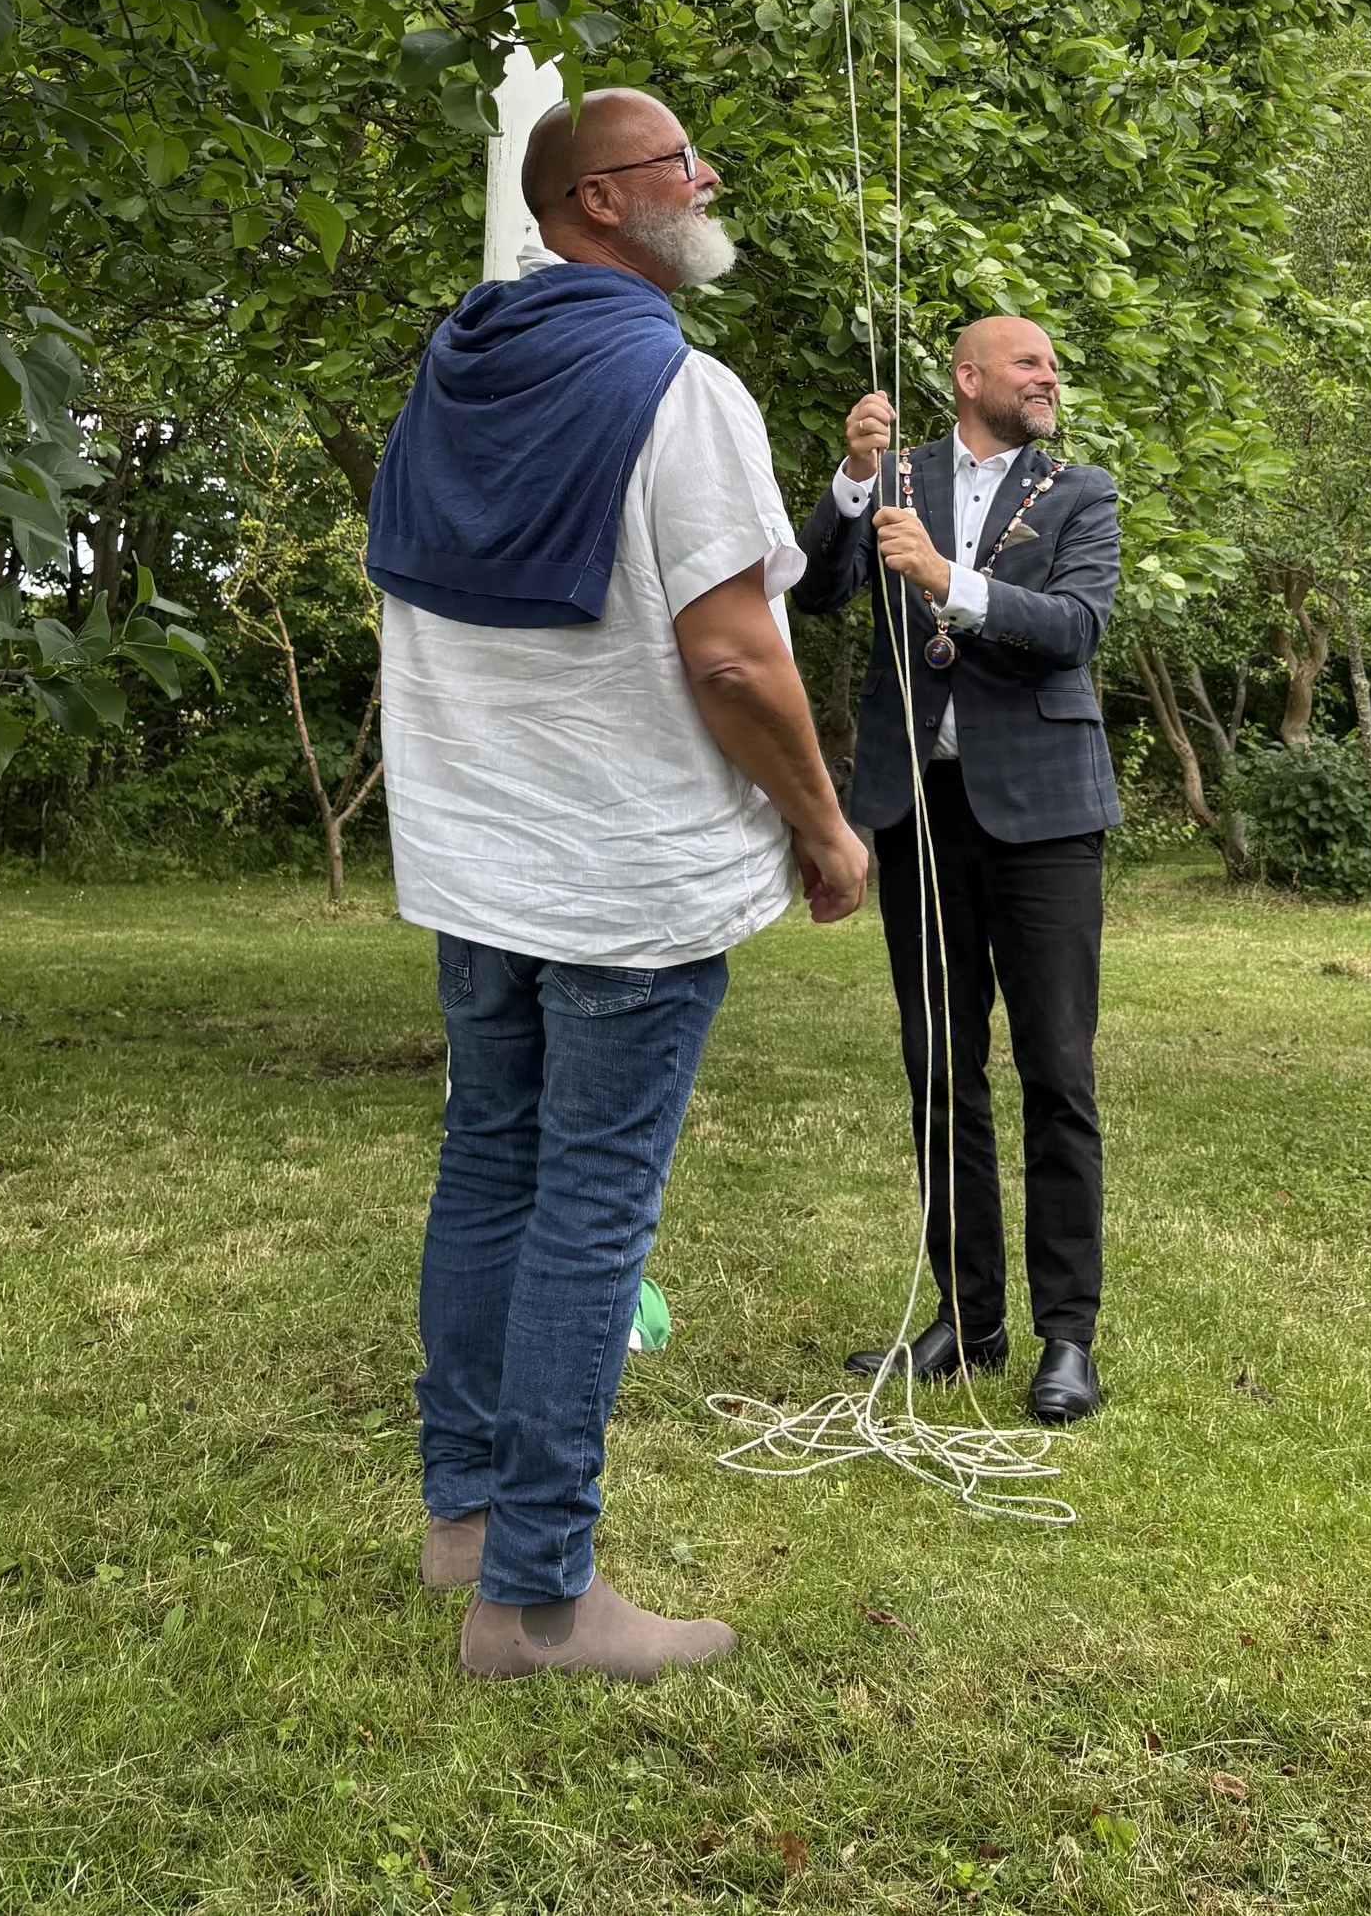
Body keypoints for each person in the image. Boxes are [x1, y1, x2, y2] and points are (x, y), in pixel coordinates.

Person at [368, 86, 868, 1683]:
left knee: (487, 1165)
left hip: (477, 857)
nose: (707, 174)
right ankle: (536, 1598)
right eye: (677, 162)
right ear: (596, 202)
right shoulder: (677, 386)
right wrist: (827, 826)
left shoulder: (451, 377)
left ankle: (467, 1515)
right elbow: (731, 655)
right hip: (621, 875)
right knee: (590, 1207)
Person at [791, 317, 1121, 1427]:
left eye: (1051, 364)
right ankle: (967, 1318)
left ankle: (1064, 1336)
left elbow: (1074, 628)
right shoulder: (897, 472)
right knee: (941, 1069)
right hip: (918, 812)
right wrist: (847, 480)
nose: (1048, 376)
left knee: (1056, 1073)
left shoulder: (1080, 489)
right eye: (1030, 362)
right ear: (967, 377)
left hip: (1044, 818)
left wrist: (946, 580)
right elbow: (817, 591)